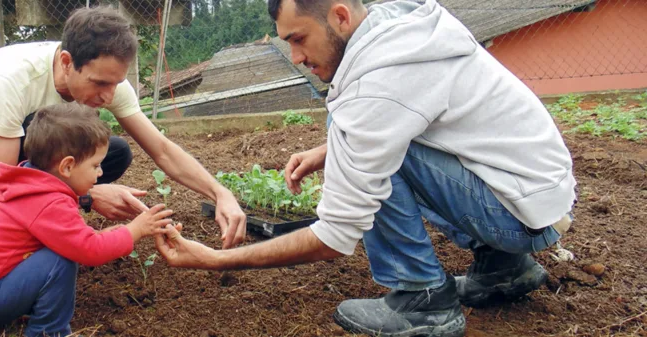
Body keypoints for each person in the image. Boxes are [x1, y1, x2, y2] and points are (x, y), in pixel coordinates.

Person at [154, 0, 577, 336]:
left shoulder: (380, 80)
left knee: (355, 139)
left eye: (299, 39)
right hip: (534, 198)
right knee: (352, 139)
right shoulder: (398, 30)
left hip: (517, 217)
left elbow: (334, 237)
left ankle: (421, 299)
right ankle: (503, 267)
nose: (296, 57)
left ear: (339, 16)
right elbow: (416, 115)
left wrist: (216, 259)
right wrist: (328, 150)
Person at [0, 6, 245, 248]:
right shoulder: (9, 81)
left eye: (116, 83)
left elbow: (161, 149)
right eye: (100, 83)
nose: (108, 96)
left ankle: (30, 216)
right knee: (42, 126)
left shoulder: (108, 82)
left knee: (112, 152)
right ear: (67, 62)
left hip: (11, 165)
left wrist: (220, 193)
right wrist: (87, 197)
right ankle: (8, 227)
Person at [0, 104, 179, 336]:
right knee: (61, 260)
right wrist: (135, 230)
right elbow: (89, 249)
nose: (100, 174)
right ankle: (48, 331)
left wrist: (114, 235)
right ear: (67, 166)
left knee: (62, 252)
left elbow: (74, 236)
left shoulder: (31, 185)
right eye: (95, 165)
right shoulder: (47, 201)